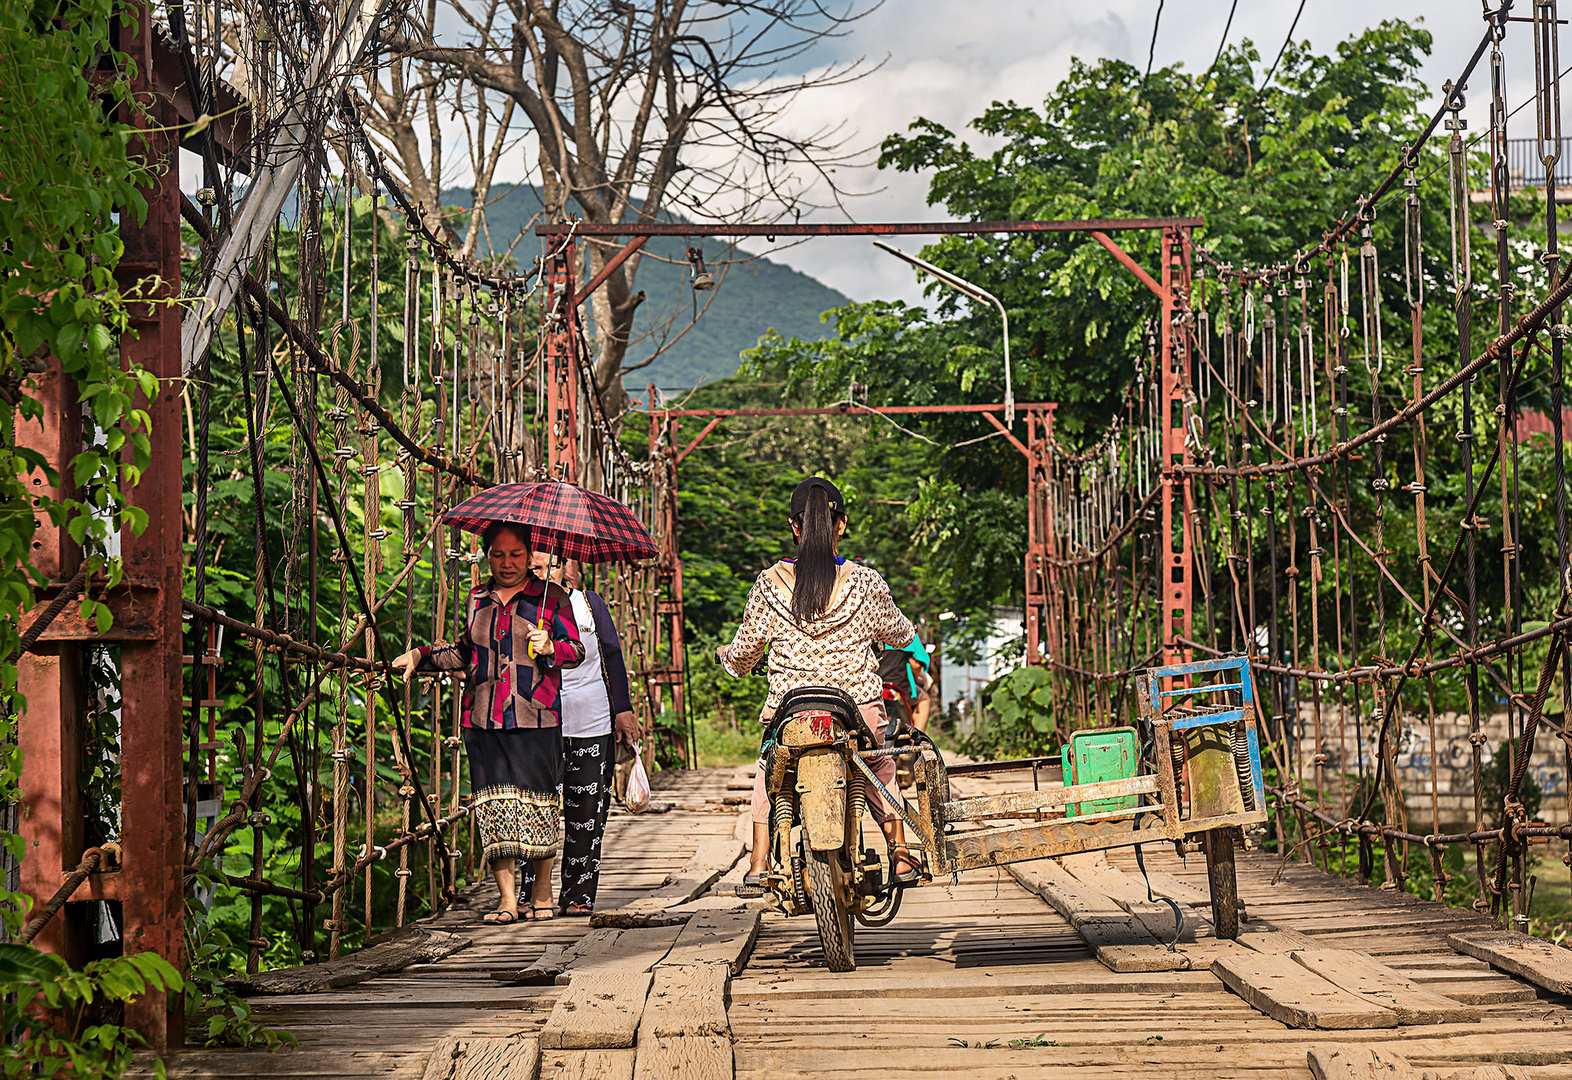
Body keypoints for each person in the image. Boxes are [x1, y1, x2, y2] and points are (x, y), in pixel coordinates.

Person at [716, 476, 924, 896]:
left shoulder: (768, 584)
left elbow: (742, 655)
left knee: (768, 769)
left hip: (792, 711)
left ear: (795, 527)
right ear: (841, 525)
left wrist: (726, 656)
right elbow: (901, 634)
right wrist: (903, 630)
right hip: (856, 708)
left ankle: (757, 862)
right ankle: (900, 850)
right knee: (879, 761)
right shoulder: (865, 582)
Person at [391, 522, 584, 924]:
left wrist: (552, 647)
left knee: (539, 804)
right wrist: (419, 656)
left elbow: (576, 651)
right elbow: (463, 652)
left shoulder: (552, 598)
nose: (507, 563)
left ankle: (543, 891)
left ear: (530, 556)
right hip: (482, 716)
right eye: (498, 554)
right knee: (494, 807)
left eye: (515, 554)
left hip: (536, 715)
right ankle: (508, 900)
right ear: (486, 556)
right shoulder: (477, 599)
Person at [528, 553, 641, 916]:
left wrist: (622, 710)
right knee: (536, 811)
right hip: (540, 723)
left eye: (552, 566)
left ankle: (578, 894)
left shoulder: (589, 604)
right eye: (535, 569)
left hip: (592, 721)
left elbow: (612, 656)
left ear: (566, 567)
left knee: (588, 814)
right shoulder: (522, 609)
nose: (546, 575)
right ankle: (534, 894)